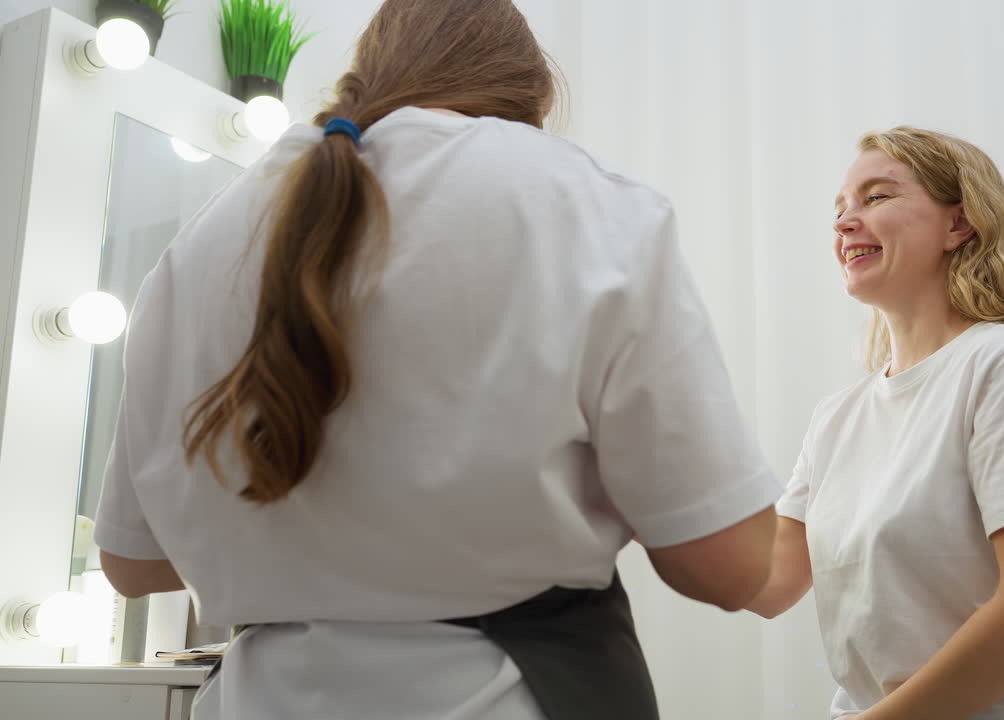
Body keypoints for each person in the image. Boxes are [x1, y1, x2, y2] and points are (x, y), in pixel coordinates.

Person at [92, 1, 780, 718]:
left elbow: (134, 563)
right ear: (530, 98)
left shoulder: (207, 236)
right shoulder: (586, 201)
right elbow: (727, 568)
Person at [746, 127, 1004, 720]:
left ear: (958, 225)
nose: (844, 223)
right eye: (840, 208)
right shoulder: (836, 418)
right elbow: (767, 583)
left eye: (876, 197)